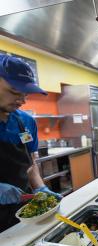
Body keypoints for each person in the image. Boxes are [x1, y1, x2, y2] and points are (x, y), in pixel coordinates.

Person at [0, 54, 62, 232]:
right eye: (14, 91)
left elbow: (30, 163)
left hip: (22, 211)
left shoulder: (26, 122)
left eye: (25, 93)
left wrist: (40, 187)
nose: (22, 100)